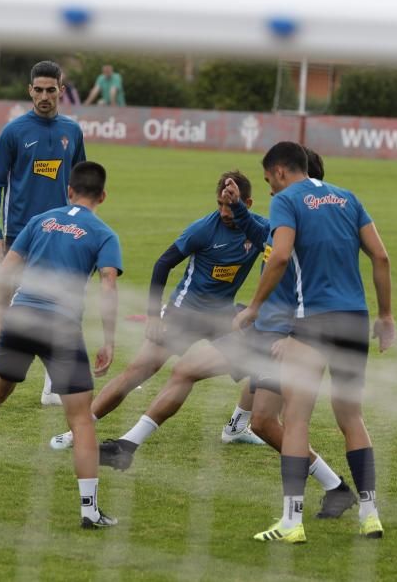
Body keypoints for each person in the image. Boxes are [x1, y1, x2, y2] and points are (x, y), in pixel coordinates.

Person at [96, 150, 358, 522]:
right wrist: (236, 206)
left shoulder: (297, 227)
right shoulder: (288, 223)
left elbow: (298, 277)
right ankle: (337, 488)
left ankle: (126, 446)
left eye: (274, 184)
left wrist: (269, 319)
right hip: (266, 331)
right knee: (253, 415)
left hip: (280, 337)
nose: (273, 193)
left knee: (245, 408)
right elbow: (257, 233)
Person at [0, 161, 122, 529]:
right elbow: (109, 287)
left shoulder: (40, 220)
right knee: (81, 419)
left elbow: (7, 271)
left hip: (21, 314)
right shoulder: (103, 233)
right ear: (102, 196)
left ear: (68, 191)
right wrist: (110, 341)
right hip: (61, 326)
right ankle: (89, 511)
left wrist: (4, 313)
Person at [233, 141, 395, 543]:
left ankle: (291, 522)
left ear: (281, 172)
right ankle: (370, 515)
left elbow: (281, 256)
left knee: (298, 419)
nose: (270, 186)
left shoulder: (287, 201)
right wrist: (386, 316)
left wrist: (253, 307)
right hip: (355, 320)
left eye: (269, 178)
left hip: (313, 322)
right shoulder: (347, 197)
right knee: (351, 417)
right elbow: (381, 257)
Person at [49, 172, 268, 451]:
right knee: (137, 372)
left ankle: (237, 427)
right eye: (220, 204)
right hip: (183, 314)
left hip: (222, 316)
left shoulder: (260, 230)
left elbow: (281, 252)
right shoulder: (203, 229)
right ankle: (76, 432)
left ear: (246, 202)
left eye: (231, 204)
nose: (225, 212)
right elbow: (163, 264)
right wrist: (154, 315)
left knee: (262, 357)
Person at [0, 60, 86, 405]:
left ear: (61, 90)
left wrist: (82, 227)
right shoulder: (14, 132)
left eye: (51, 90)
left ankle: (52, 386)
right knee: (7, 305)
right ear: (30, 90)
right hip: (19, 236)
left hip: (61, 235)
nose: (45, 96)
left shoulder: (72, 132)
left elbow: (80, 186)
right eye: (38, 90)